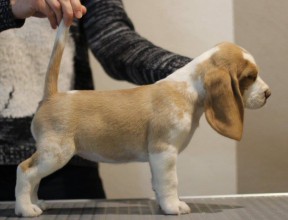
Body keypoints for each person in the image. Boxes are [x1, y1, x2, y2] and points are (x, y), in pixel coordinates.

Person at [0, 0, 192, 201]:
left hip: (73, 164)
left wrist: (191, 74)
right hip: (57, 129)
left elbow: (116, 42)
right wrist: (8, 8)